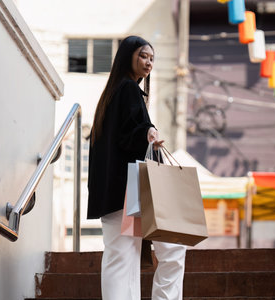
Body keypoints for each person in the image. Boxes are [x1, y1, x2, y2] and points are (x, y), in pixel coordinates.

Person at [87, 35, 187, 300]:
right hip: (133, 193)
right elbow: (133, 130)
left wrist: (144, 132)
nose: (148, 62)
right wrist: (149, 132)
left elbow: (121, 135)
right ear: (127, 56)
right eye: (143, 55)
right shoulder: (128, 90)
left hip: (114, 194)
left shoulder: (111, 96)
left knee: (121, 259)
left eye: (152, 58)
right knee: (172, 248)